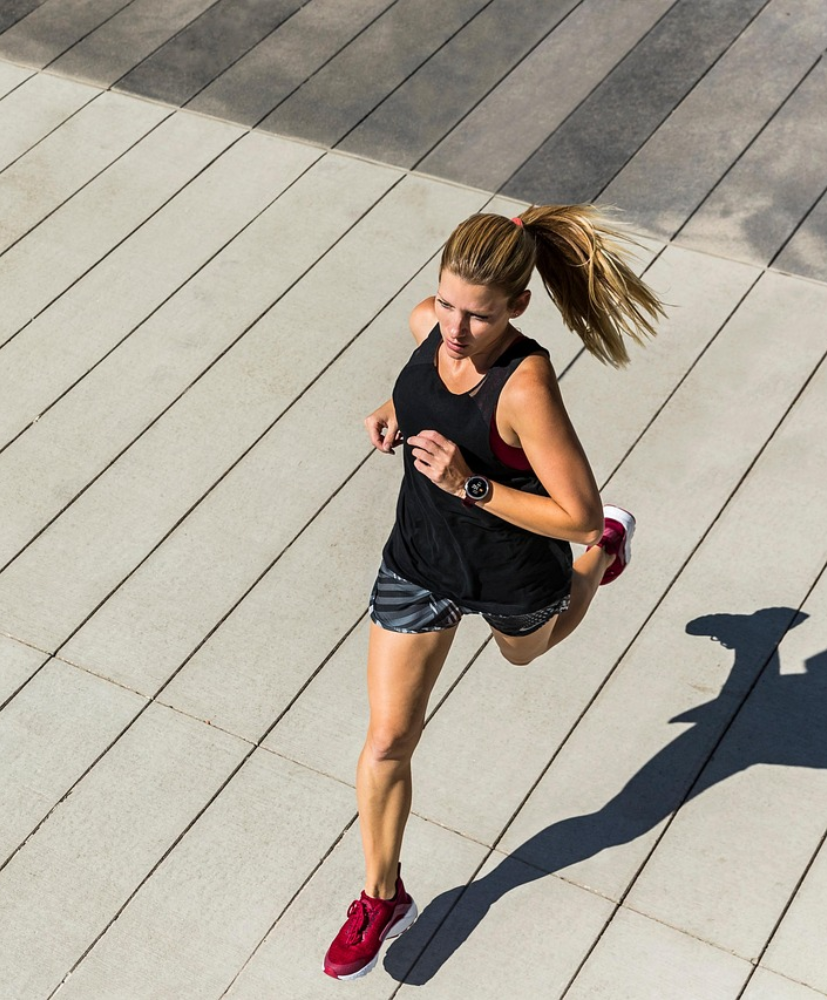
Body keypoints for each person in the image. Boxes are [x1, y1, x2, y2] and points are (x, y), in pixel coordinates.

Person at [322, 205, 665, 981]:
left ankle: (608, 556)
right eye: (446, 303)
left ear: (517, 307)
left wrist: (468, 482)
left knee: (526, 654)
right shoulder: (429, 326)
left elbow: (573, 511)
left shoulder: (525, 384)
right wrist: (392, 408)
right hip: (419, 560)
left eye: (477, 314)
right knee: (386, 741)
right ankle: (382, 895)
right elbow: (422, 378)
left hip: (513, 568)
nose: (453, 327)